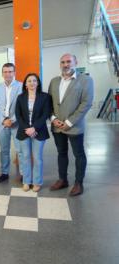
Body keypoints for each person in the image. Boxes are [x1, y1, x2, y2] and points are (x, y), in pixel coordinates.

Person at [48, 53, 94, 196]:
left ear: (75, 62)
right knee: (61, 153)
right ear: (60, 64)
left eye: (68, 61)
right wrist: (53, 118)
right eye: (63, 62)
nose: (66, 65)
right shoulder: (54, 81)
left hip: (74, 126)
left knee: (78, 154)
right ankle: (63, 180)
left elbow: (86, 104)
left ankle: (78, 183)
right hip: (57, 126)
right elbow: (48, 102)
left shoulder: (85, 80)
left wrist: (69, 122)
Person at [15, 73, 52, 192]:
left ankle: (37, 182)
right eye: (29, 81)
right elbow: (18, 115)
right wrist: (27, 129)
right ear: (25, 84)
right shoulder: (20, 97)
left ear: (38, 83)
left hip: (39, 131)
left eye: (34, 81)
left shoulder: (45, 97)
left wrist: (34, 128)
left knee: (37, 158)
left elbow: (45, 114)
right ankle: (26, 181)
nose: (32, 83)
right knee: (25, 157)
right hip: (24, 131)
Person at [0, 63, 23, 183]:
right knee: (4, 149)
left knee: (20, 149)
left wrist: (12, 120)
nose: (8, 74)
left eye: (10, 71)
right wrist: (3, 120)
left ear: (14, 72)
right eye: (5, 72)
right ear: (2, 73)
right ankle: (4, 172)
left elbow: (22, 107)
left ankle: (23, 173)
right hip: (2, 124)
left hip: (17, 123)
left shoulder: (21, 86)